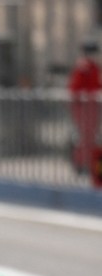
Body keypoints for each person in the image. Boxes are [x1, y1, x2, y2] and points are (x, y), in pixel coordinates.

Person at [68, 40, 102, 175]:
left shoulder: (94, 68)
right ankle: (82, 163)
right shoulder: (83, 68)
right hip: (84, 108)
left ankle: (88, 163)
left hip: (92, 107)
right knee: (85, 137)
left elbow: (97, 85)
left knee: (91, 137)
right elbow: (75, 88)